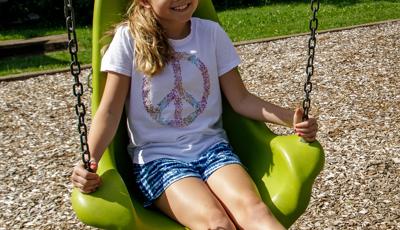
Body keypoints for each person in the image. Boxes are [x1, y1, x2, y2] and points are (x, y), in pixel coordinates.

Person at [70, 0, 318, 229]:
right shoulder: (128, 39)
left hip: (213, 151)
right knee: (216, 223)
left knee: (255, 211)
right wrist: (90, 161)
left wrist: (291, 119)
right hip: (158, 160)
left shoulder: (210, 34)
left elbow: (240, 99)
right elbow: (110, 110)